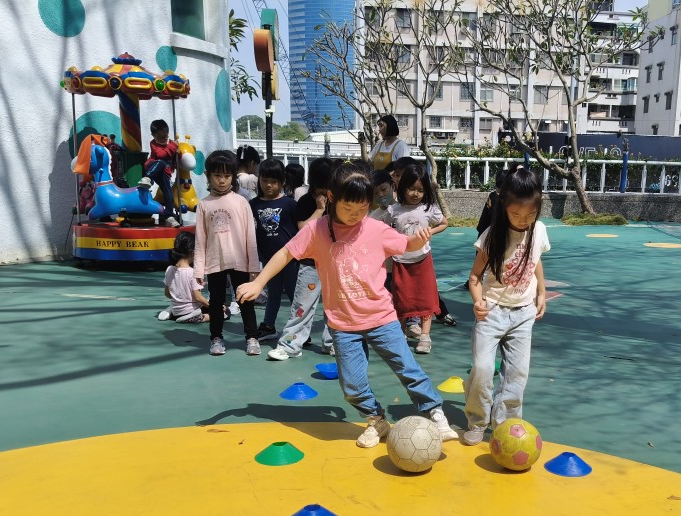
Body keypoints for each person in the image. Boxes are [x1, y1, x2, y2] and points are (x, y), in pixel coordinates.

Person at [235, 160, 458, 449]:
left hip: (381, 318)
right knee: (352, 386)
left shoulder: (375, 228)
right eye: (348, 208)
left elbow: (406, 245)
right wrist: (258, 282)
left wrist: (418, 240)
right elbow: (286, 253)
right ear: (331, 198)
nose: (355, 215)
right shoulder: (317, 230)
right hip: (343, 325)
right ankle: (376, 420)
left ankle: (435, 413)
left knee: (408, 369)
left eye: (362, 208)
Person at [461, 166, 548, 446]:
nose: (523, 221)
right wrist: (478, 302)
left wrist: (542, 292)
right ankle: (477, 420)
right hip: (492, 313)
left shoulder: (539, 230)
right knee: (482, 368)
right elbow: (474, 277)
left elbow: (535, 260)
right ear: (504, 207)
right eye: (516, 215)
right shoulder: (492, 236)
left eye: (530, 215)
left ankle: (505, 424)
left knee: (517, 374)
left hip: (523, 314)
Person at [266, 157, 336, 361]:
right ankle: (290, 345)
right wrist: (320, 210)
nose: (325, 190)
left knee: (335, 307)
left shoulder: (338, 201)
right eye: (322, 185)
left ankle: (332, 343)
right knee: (302, 306)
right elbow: (303, 230)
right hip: (310, 264)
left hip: (335, 263)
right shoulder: (306, 201)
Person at [193, 149, 262, 357]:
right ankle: (216, 338)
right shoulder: (204, 205)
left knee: (245, 301)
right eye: (217, 175)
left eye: (226, 175)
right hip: (215, 262)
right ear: (208, 176)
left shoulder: (241, 202)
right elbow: (200, 239)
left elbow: (250, 236)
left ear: (233, 176)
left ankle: (251, 338)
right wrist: (198, 270)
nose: (222, 180)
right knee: (216, 302)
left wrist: (254, 266)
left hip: (240, 261)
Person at [381, 161, 447, 354]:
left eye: (420, 190)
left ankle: (425, 336)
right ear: (403, 187)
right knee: (401, 299)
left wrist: (430, 232)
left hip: (422, 260)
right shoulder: (394, 210)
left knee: (425, 298)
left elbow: (444, 223)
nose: (416, 194)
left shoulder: (429, 208)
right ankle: (400, 334)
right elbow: (382, 228)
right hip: (401, 261)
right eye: (411, 188)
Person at [250, 159, 301, 342]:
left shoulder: (290, 204)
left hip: (290, 259)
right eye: (264, 180)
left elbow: (301, 229)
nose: (269, 185)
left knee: (295, 294)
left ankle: (300, 330)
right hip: (268, 259)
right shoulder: (253, 205)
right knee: (273, 293)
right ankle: (268, 325)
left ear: (282, 181)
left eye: (273, 181)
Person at [161, 230, 210, 323]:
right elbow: (198, 297)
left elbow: (167, 294)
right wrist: (213, 307)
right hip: (191, 311)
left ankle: (171, 312)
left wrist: (180, 299)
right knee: (223, 313)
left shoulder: (169, 269)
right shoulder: (193, 272)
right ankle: (189, 317)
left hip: (176, 311)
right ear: (192, 252)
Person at [138, 119, 180, 227]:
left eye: (165, 137)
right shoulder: (154, 143)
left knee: (169, 193)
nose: (163, 140)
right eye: (160, 138)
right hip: (153, 168)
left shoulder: (171, 143)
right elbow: (160, 154)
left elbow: (176, 160)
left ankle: (169, 216)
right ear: (153, 135)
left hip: (164, 174)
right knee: (161, 162)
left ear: (168, 133)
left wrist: (178, 154)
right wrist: (173, 147)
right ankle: (147, 178)